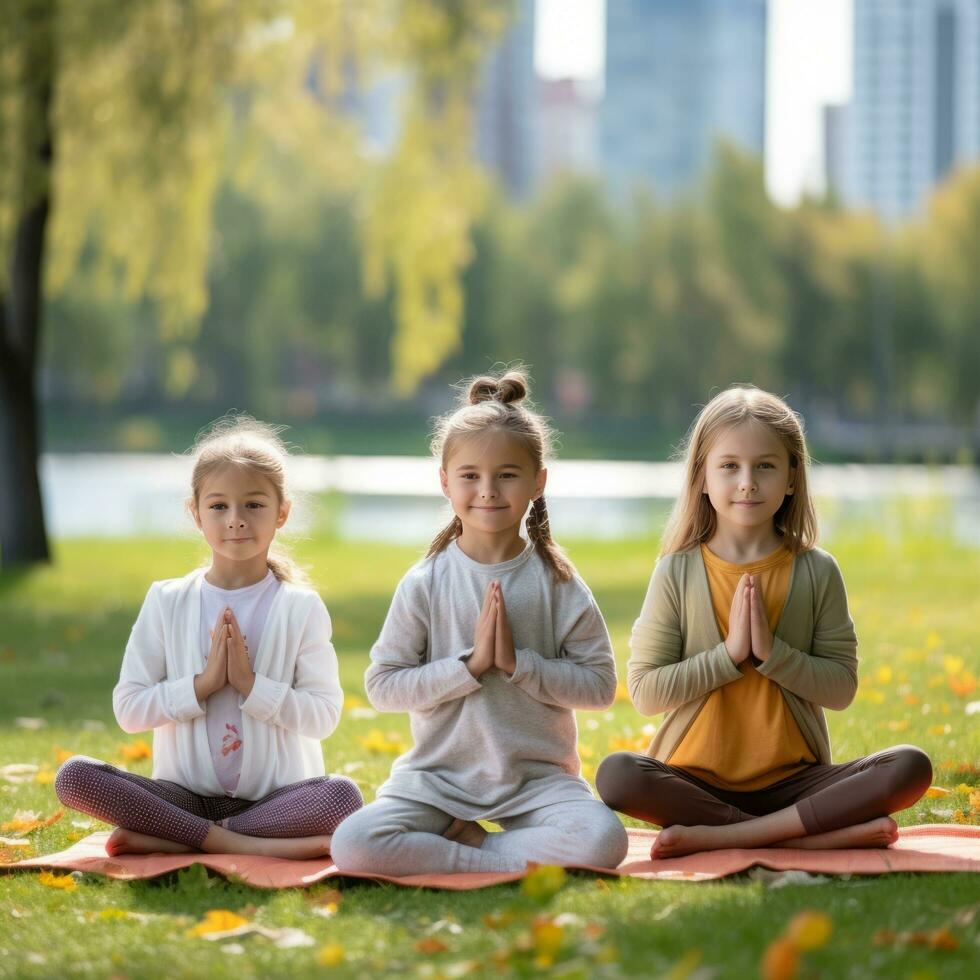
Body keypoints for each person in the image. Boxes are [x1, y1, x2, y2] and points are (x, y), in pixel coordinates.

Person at [596, 385, 932, 858]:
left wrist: (774, 655)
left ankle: (731, 836)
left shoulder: (817, 571)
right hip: (695, 785)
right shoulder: (676, 570)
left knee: (910, 766)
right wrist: (729, 656)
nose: (747, 482)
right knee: (617, 774)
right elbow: (648, 693)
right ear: (703, 479)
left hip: (795, 784)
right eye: (729, 466)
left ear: (792, 477)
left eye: (765, 466)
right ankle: (803, 835)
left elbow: (841, 690)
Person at [330, 370, 628, 875]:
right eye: (470, 476)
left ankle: (476, 854)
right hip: (436, 782)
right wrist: (469, 667)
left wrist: (518, 665)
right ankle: (489, 853)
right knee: (354, 844)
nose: (487, 490)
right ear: (445, 481)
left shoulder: (558, 583)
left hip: (538, 783)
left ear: (537, 481)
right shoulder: (425, 581)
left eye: (507, 475)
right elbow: (382, 686)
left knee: (604, 841)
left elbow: (599, 688)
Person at [55, 416, 362, 859]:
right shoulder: (166, 601)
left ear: (282, 512)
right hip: (182, 796)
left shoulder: (301, 608)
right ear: (195, 513)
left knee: (342, 798)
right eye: (219, 506)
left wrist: (249, 685)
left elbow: (324, 717)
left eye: (253, 505)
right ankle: (235, 842)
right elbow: (129, 709)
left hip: (276, 802)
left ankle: (184, 837)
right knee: (74, 776)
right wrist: (202, 684)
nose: (235, 520)